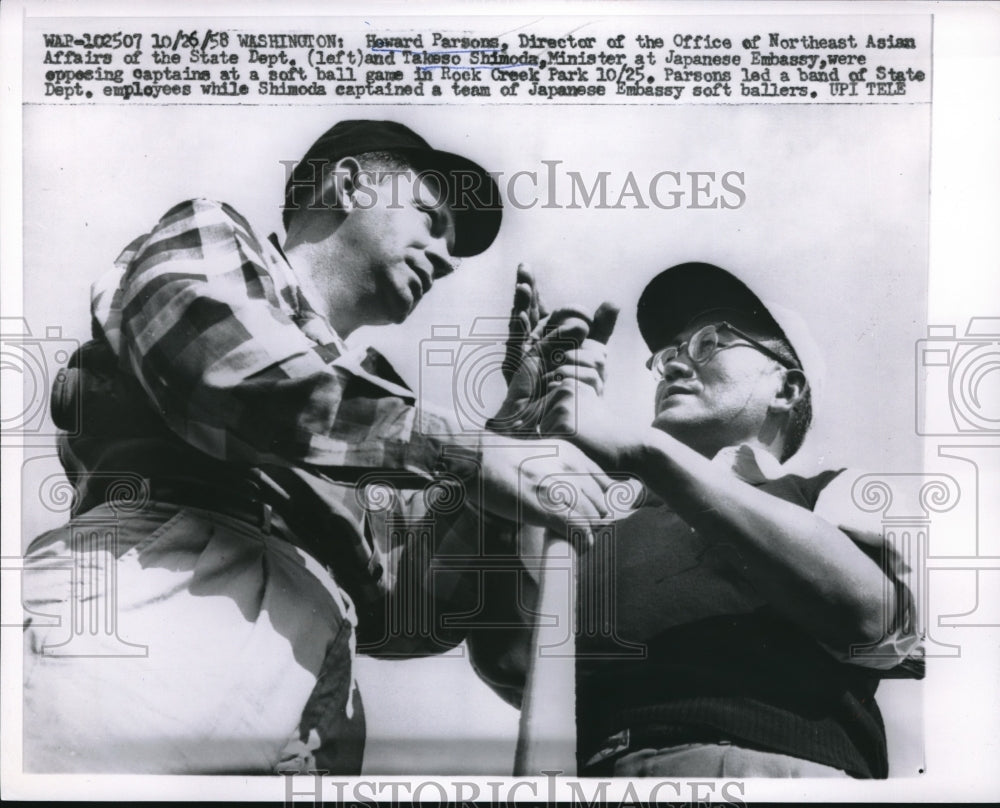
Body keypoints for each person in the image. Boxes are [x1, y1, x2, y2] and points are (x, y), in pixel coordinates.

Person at [21, 119, 616, 774]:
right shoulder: (211, 235)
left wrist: (514, 427)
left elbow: (404, 612)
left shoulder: (372, 423)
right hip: (156, 607)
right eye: (428, 217)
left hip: (311, 687)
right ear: (349, 184)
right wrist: (466, 452)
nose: (446, 258)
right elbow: (217, 366)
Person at [467, 261, 925, 778]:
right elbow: (514, 663)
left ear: (786, 388)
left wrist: (645, 451)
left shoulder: (827, 494)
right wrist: (513, 446)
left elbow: (876, 625)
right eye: (669, 355)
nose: (676, 367)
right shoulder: (600, 521)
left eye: (709, 343)